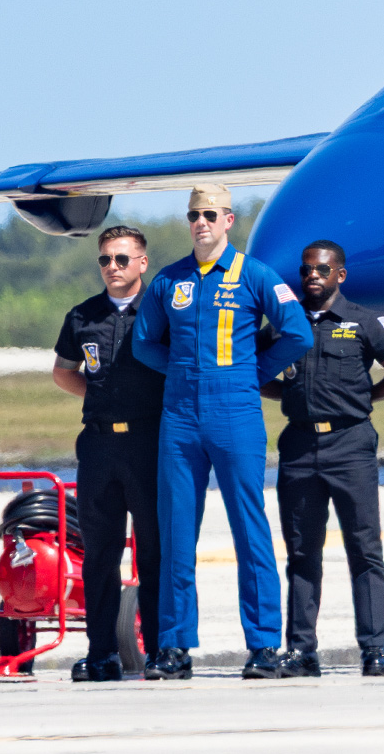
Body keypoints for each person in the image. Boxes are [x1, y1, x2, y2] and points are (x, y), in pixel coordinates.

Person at [131, 183, 310, 680]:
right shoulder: (170, 280)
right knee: (176, 533)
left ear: (229, 220)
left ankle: (263, 645)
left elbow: (298, 333)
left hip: (236, 412)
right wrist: (182, 372)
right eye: (194, 216)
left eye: (210, 215)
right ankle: (173, 646)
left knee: (250, 530)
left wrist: (252, 374)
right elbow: (144, 343)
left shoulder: (255, 275)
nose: (201, 224)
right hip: (180, 417)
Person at [264, 240, 384, 678]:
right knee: (301, 553)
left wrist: (362, 401)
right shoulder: (284, 323)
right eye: (306, 270)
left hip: (350, 446)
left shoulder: (363, 321)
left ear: (340, 275)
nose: (312, 276)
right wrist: (288, 396)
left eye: (322, 269)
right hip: (299, 446)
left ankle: (374, 649)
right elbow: (252, 371)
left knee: (364, 549)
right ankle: (301, 651)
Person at [50, 223, 164, 681]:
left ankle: (161, 651)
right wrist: (102, 399)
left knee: (154, 551)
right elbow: (63, 372)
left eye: (121, 258)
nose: (112, 267)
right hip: (99, 445)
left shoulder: (161, 313)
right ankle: (101, 653)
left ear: (142, 263)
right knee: (99, 554)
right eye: (104, 259)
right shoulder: (84, 316)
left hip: (148, 443)